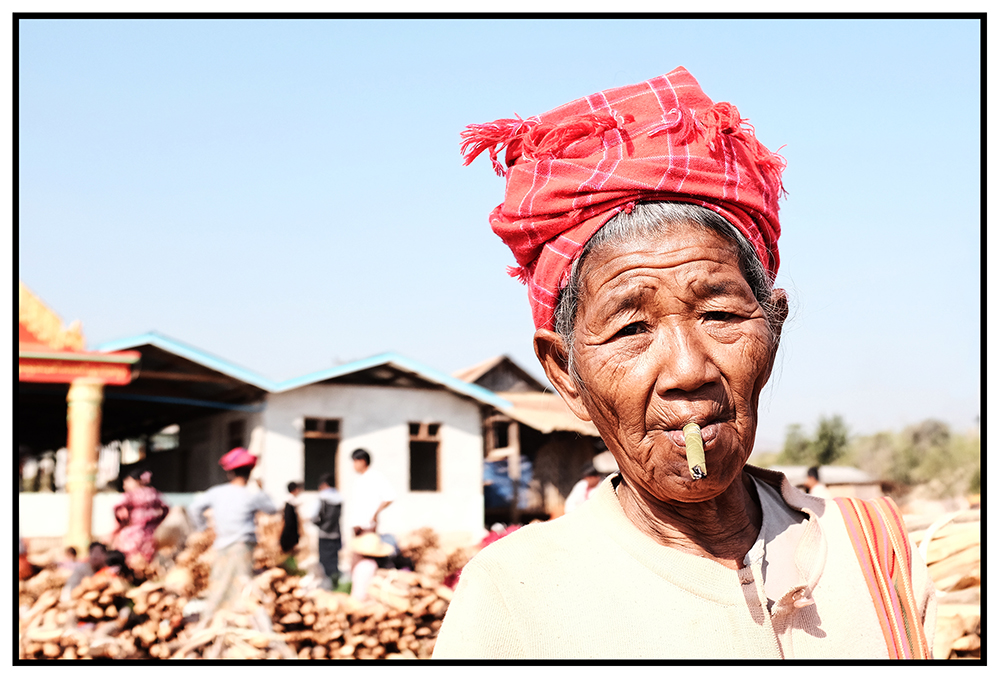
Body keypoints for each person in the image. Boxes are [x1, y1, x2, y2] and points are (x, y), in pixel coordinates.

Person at [434, 67, 935, 659]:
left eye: (720, 316)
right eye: (631, 328)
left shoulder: (875, 547)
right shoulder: (515, 597)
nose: (688, 370)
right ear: (566, 373)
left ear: (773, 324)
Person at [188, 447, 279, 621]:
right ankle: (232, 620)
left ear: (229, 473)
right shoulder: (253, 494)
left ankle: (214, 618)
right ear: (250, 472)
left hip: (222, 546)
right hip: (243, 547)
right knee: (239, 586)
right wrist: (261, 489)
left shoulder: (217, 492)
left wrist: (203, 528)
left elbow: (194, 508)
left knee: (220, 584)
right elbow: (273, 509)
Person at [112, 469, 170, 568]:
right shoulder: (155, 494)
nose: (125, 485)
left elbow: (118, 509)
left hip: (133, 533)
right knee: (149, 559)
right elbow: (166, 509)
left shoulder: (130, 495)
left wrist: (122, 524)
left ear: (136, 481)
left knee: (130, 559)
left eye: (127, 481)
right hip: (152, 534)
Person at [306, 473, 344, 590]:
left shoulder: (322, 498)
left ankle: (327, 586)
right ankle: (335, 582)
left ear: (324, 485)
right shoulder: (339, 498)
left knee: (324, 560)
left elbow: (314, 516)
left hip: (324, 534)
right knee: (334, 559)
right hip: (336, 533)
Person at [347, 449, 395, 537]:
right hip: (357, 525)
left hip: (368, 526)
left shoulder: (375, 477)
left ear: (362, 461)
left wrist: (375, 513)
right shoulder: (359, 480)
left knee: (368, 549)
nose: (353, 465)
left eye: (355, 462)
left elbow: (389, 497)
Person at [280, 481, 303, 555]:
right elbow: (289, 522)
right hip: (289, 534)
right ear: (295, 489)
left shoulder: (288, 502)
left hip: (288, 534)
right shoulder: (290, 503)